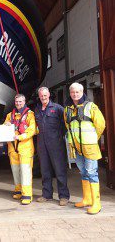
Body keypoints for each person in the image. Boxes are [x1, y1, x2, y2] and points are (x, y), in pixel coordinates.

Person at [64, 82, 105, 214]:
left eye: (78, 92)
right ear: (70, 93)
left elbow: (101, 124)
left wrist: (93, 138)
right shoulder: (67, 109)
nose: (75, 94)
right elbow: (68, 125)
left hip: (90, 147)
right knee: (83, 172)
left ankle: (96, 203)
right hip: (76, 147)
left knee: (92, 173)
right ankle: (87, 199)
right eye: (73, 92)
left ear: (82, 92)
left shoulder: (91, 106)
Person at [35, 87, 70, 206]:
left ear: (49, 94)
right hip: (42, 145)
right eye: (41, 96)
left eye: (45, 95)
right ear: (39, 96)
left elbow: (65, 124)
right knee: (45, 170)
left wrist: (59, 137)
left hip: (56, 144)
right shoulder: (37, 109)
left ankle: (64, 196)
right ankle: (47, 194)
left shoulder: (58, 108)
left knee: (59, 170)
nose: (43, 97)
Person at [4, 94, 36, 205]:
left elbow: (32, 130)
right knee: (15, 170)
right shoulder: (9, 115)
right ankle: (18, 191)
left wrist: (21, 137)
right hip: (12, 147)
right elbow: (3, 128)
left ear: (25, 101)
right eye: (17, 101)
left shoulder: (30, 115)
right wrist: (6, 124)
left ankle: (27, 194)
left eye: (20, 101)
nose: (18, 103)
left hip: (25, 147)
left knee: (25, 171)